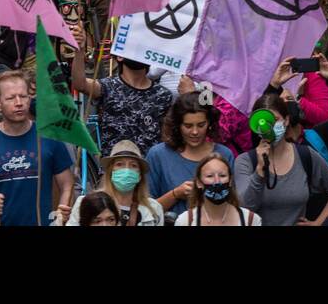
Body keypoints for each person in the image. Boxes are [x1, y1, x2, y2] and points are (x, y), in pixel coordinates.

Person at [0, 70, 74, 227]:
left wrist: (61, 213)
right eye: (10, 98)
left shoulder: (50, 137)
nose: (19, 103)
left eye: (23, 96)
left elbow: (67, 183)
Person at [233, 93, 328, 226]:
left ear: (286, 120)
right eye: (264, 122)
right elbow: (244, 209)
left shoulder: (305, 155)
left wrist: (318, 222)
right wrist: (259, 172)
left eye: (275, 120)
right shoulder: (245, 162)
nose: (269, 127)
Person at [70, 27, 174, 156]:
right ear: (119, 56)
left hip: (149, 172)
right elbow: (80, 84)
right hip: (113, 171)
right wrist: (79, 50)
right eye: (133, 48)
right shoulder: (108, 87)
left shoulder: (163, 95)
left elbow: (168, 138)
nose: (138, 52)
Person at [147, 93, 235, 220]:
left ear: (209, 123)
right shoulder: (158, 155)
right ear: (178, 125)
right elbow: (146, 211)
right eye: (188, 126)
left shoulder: (225, 154)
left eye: (201, 125)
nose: (195, 132)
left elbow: (233, 204)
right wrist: (175, 194)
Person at [67, 139, 163, 227]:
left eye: (133, 165)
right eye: (119, 164)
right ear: (110, 171)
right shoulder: (84, 203)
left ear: (140, 175)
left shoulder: (154, 209)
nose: (126, 170)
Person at [175, 153, 262, 227]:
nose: (217, 181)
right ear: (199, 183)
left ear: (230, 181)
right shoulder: (185, 221)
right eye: (210, 176)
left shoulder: (251, 220)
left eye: (222, 175)